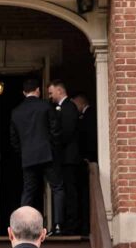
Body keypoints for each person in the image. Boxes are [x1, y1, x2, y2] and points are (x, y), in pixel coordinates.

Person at [10, 76, 64, 235]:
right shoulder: (46, 106)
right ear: (38, 90)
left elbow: (13, 139)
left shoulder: (16, 112)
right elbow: (55, 130)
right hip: (47, 154)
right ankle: (58, 225)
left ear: (23, 92)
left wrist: (24, 152)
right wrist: (53, 150)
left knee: (28, 192)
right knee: (57, 188)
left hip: (28, 157)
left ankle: (20, 229)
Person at [47, 80, 80, 236]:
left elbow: (67, 131)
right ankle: (65, 224)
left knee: (70, 192)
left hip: (69, 157)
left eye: (51, 92)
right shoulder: (61, 107)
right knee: (66, 190)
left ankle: (72, 226)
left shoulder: (69, 107)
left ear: (59, 91)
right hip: (64, 158)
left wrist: (55, 145)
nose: (50, 96)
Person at [72, 92, 98, 236]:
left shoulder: (90, 115)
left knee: (85, 196)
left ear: (81, 103)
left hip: (89, 160)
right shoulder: (88, 115)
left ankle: (86, 227)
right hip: (87, 159)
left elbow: (91, 137)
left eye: (75, 105)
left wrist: (88, 157)